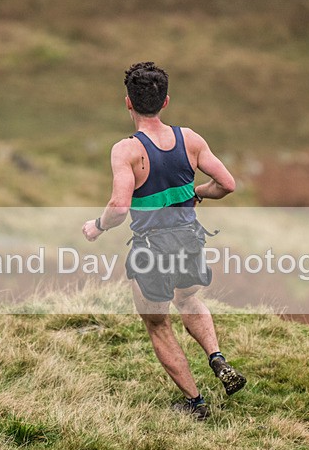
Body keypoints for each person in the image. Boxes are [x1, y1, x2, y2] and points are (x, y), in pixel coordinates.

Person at [82, 61, 246, 420]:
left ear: (128, 102)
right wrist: (197, 193)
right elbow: (228, 184)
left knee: (158, 324)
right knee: (188, 300)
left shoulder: (126, 151)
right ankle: (216, 357)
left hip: (152, 249)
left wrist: (97, 225)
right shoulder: (191, 139)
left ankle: (195, 404)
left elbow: (119, 207)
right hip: (190, 240)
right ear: (165, 101)